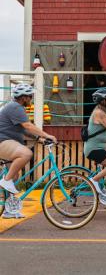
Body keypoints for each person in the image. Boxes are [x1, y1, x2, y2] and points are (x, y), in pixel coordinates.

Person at [0, 83, 57, 218]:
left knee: (14, 177)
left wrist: (39, 138)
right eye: (30, 96)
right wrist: (47, 135)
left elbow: (24, 130)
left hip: (8, 143)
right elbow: (27, 125)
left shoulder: (16, 107)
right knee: (26, 153)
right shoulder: (15, 107)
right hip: (2, 142)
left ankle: (9, 210)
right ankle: (5, 181)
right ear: (24, 97)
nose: (31, 99)